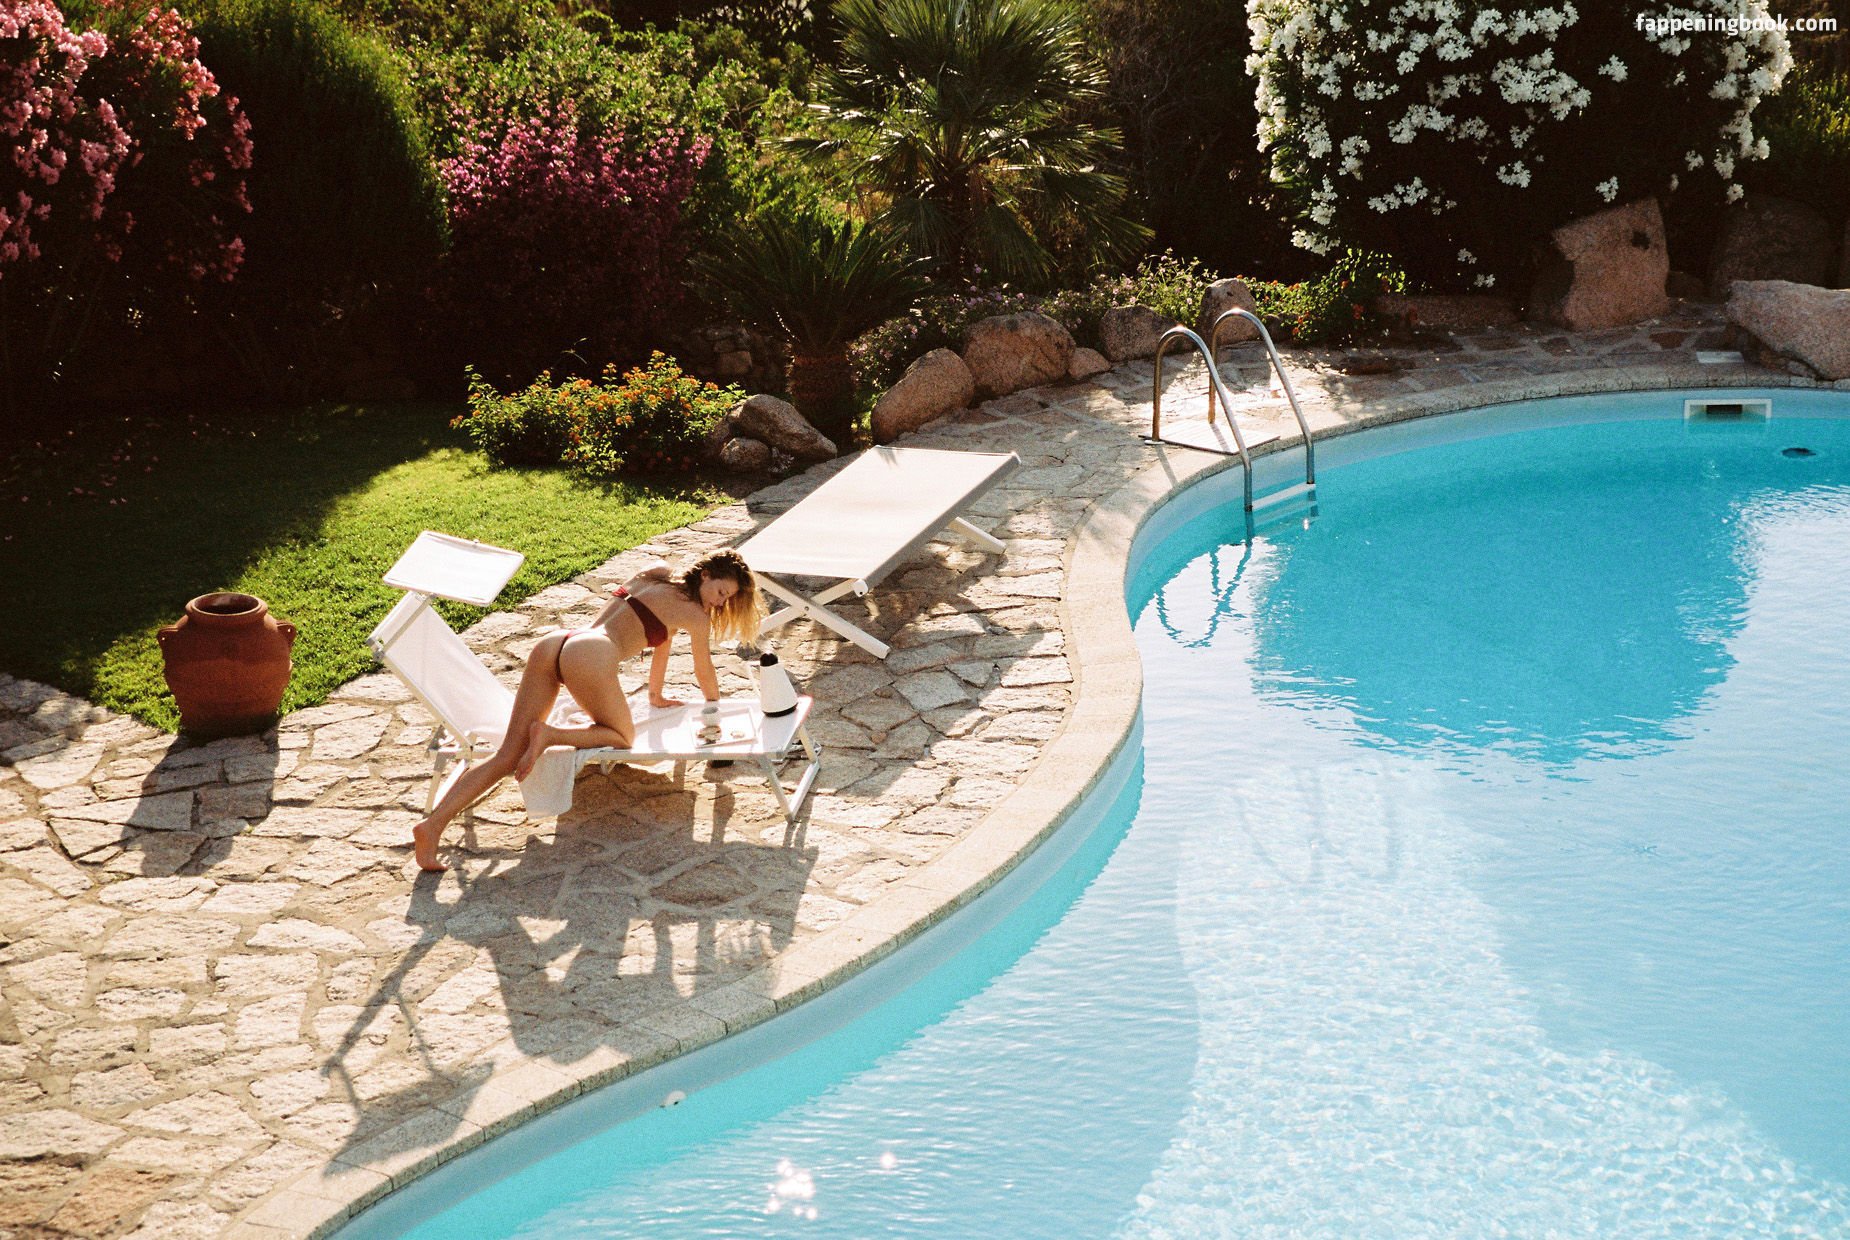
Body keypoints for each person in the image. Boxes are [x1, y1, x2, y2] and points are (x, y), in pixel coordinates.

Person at [411, 549, 763, 871]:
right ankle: (550, 735)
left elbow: (660, 639)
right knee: (623, 736)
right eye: (721, 592)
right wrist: (715, 707)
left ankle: (431, 826)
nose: (720, 602)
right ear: (705, 575)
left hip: (558, 642)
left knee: (507, 754)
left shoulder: (656, 573)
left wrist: (655, 695)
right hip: (591, 655)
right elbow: (704, 669)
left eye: (728, 599)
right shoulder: (696, 616)